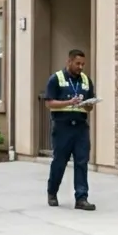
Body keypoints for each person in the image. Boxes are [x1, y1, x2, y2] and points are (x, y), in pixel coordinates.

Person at [44, 48, 96, 210]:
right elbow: (49, 103)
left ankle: (81, 198)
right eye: (78, 63)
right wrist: (68, 102)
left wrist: (88, 105)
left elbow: (89, 109)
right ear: (69, 62)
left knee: (82, 162)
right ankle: (52, 192)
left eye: (83, 64)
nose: (81, 67)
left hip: (81, 128)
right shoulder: (56, 79)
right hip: (62, 128)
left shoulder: (86, 81)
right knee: (60, 162)